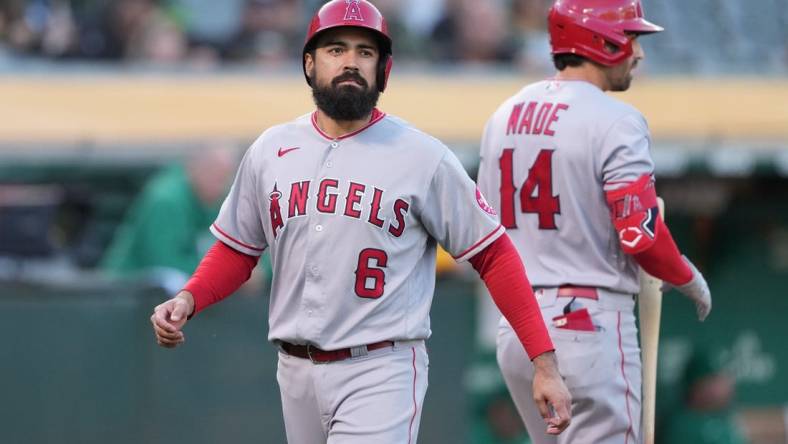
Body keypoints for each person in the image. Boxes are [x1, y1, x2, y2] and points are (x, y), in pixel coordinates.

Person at [150, 1, 571, 443]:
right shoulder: (271, 149)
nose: (351, 61)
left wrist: (543, 362)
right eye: (335, 49)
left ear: (383, 69)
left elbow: (494, 254)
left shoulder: (422, 157)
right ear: (309, 64)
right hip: (295, 370)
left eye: (365, 52)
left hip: (380, 368)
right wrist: (191, 297)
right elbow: (238, 248)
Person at [476, 1, 713, 443]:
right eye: (632, 39)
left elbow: (487, 233)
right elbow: (639, 235)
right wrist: (687, 275)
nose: (638, 54)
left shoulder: (502, 115)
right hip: (588, 323)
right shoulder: (616, 119)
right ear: (601, 41)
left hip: (519, 329)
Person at [102, 141, 237, 287]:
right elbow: (166, 262)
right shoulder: (166, 200)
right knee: (174, 280)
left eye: (226, 178)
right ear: (196, 169)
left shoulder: (218, 200)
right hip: (125, 291)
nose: (222, 186)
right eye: (217, 178)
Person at [662, 347, 747, 444]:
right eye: (717, 379)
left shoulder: (724, 417)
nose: (726, 385)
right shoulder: (682, 426)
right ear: (698, 385)